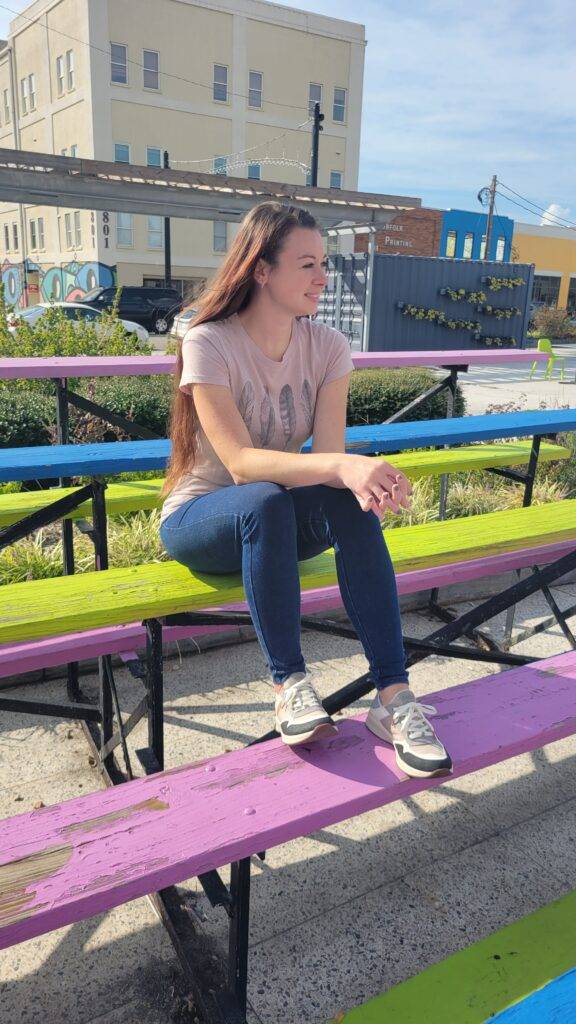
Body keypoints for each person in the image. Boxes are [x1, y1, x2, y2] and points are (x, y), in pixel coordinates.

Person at [160, 202, 452, 779]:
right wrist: (343, 466)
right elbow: (242, 465)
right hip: (201, 521)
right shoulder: (208, 342)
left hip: (270, 524)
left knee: (347, 497)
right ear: (261, 270)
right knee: (266, 496)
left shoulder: (327, 347)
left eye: (324, 264)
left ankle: (393, 698)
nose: (323, 278)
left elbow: (325, 461)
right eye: (308, 265)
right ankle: (290, 682)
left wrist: (357, 474)